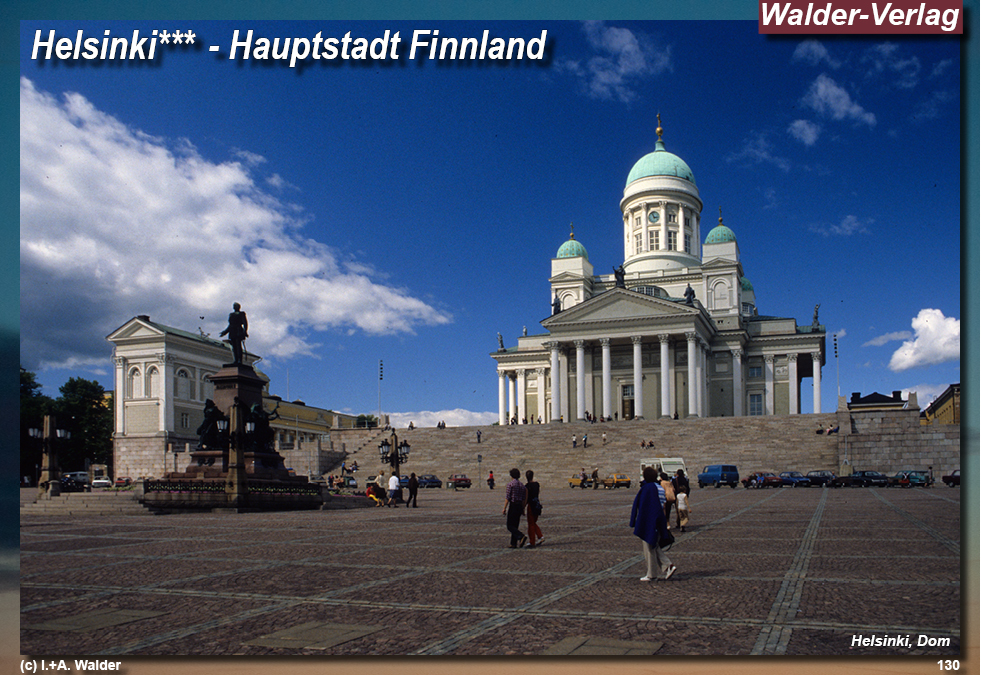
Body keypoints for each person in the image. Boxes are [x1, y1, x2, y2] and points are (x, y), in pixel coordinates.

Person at [630, 466, 676, 581]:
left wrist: (636, 521)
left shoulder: (648, 488)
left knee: (649, 547)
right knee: (653, 546)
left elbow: (643, 506)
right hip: (659, 520)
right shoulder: (659, 488)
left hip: (650, 522)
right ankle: (667, 566)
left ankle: (652, 574)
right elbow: (663, 505)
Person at [502, 468, 527, 548]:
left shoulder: (511, 484)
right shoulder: (522, 485)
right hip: (519, 506)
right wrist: (523, 509)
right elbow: (523, 499)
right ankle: (513, 543)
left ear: (511, 475)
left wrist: (504, 508)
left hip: (513, 505)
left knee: (509, 525)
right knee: (515, 525)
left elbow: (508, 497)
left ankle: (521, 536)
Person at [525, 470, 544, 548]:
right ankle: (540, 537)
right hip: (537, 504)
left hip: (531, 505)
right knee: (533, 522)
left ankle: (532, 541)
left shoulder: (527, 486)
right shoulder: (537, 485)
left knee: (531, 524)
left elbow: (526, 498)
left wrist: (523, 506)